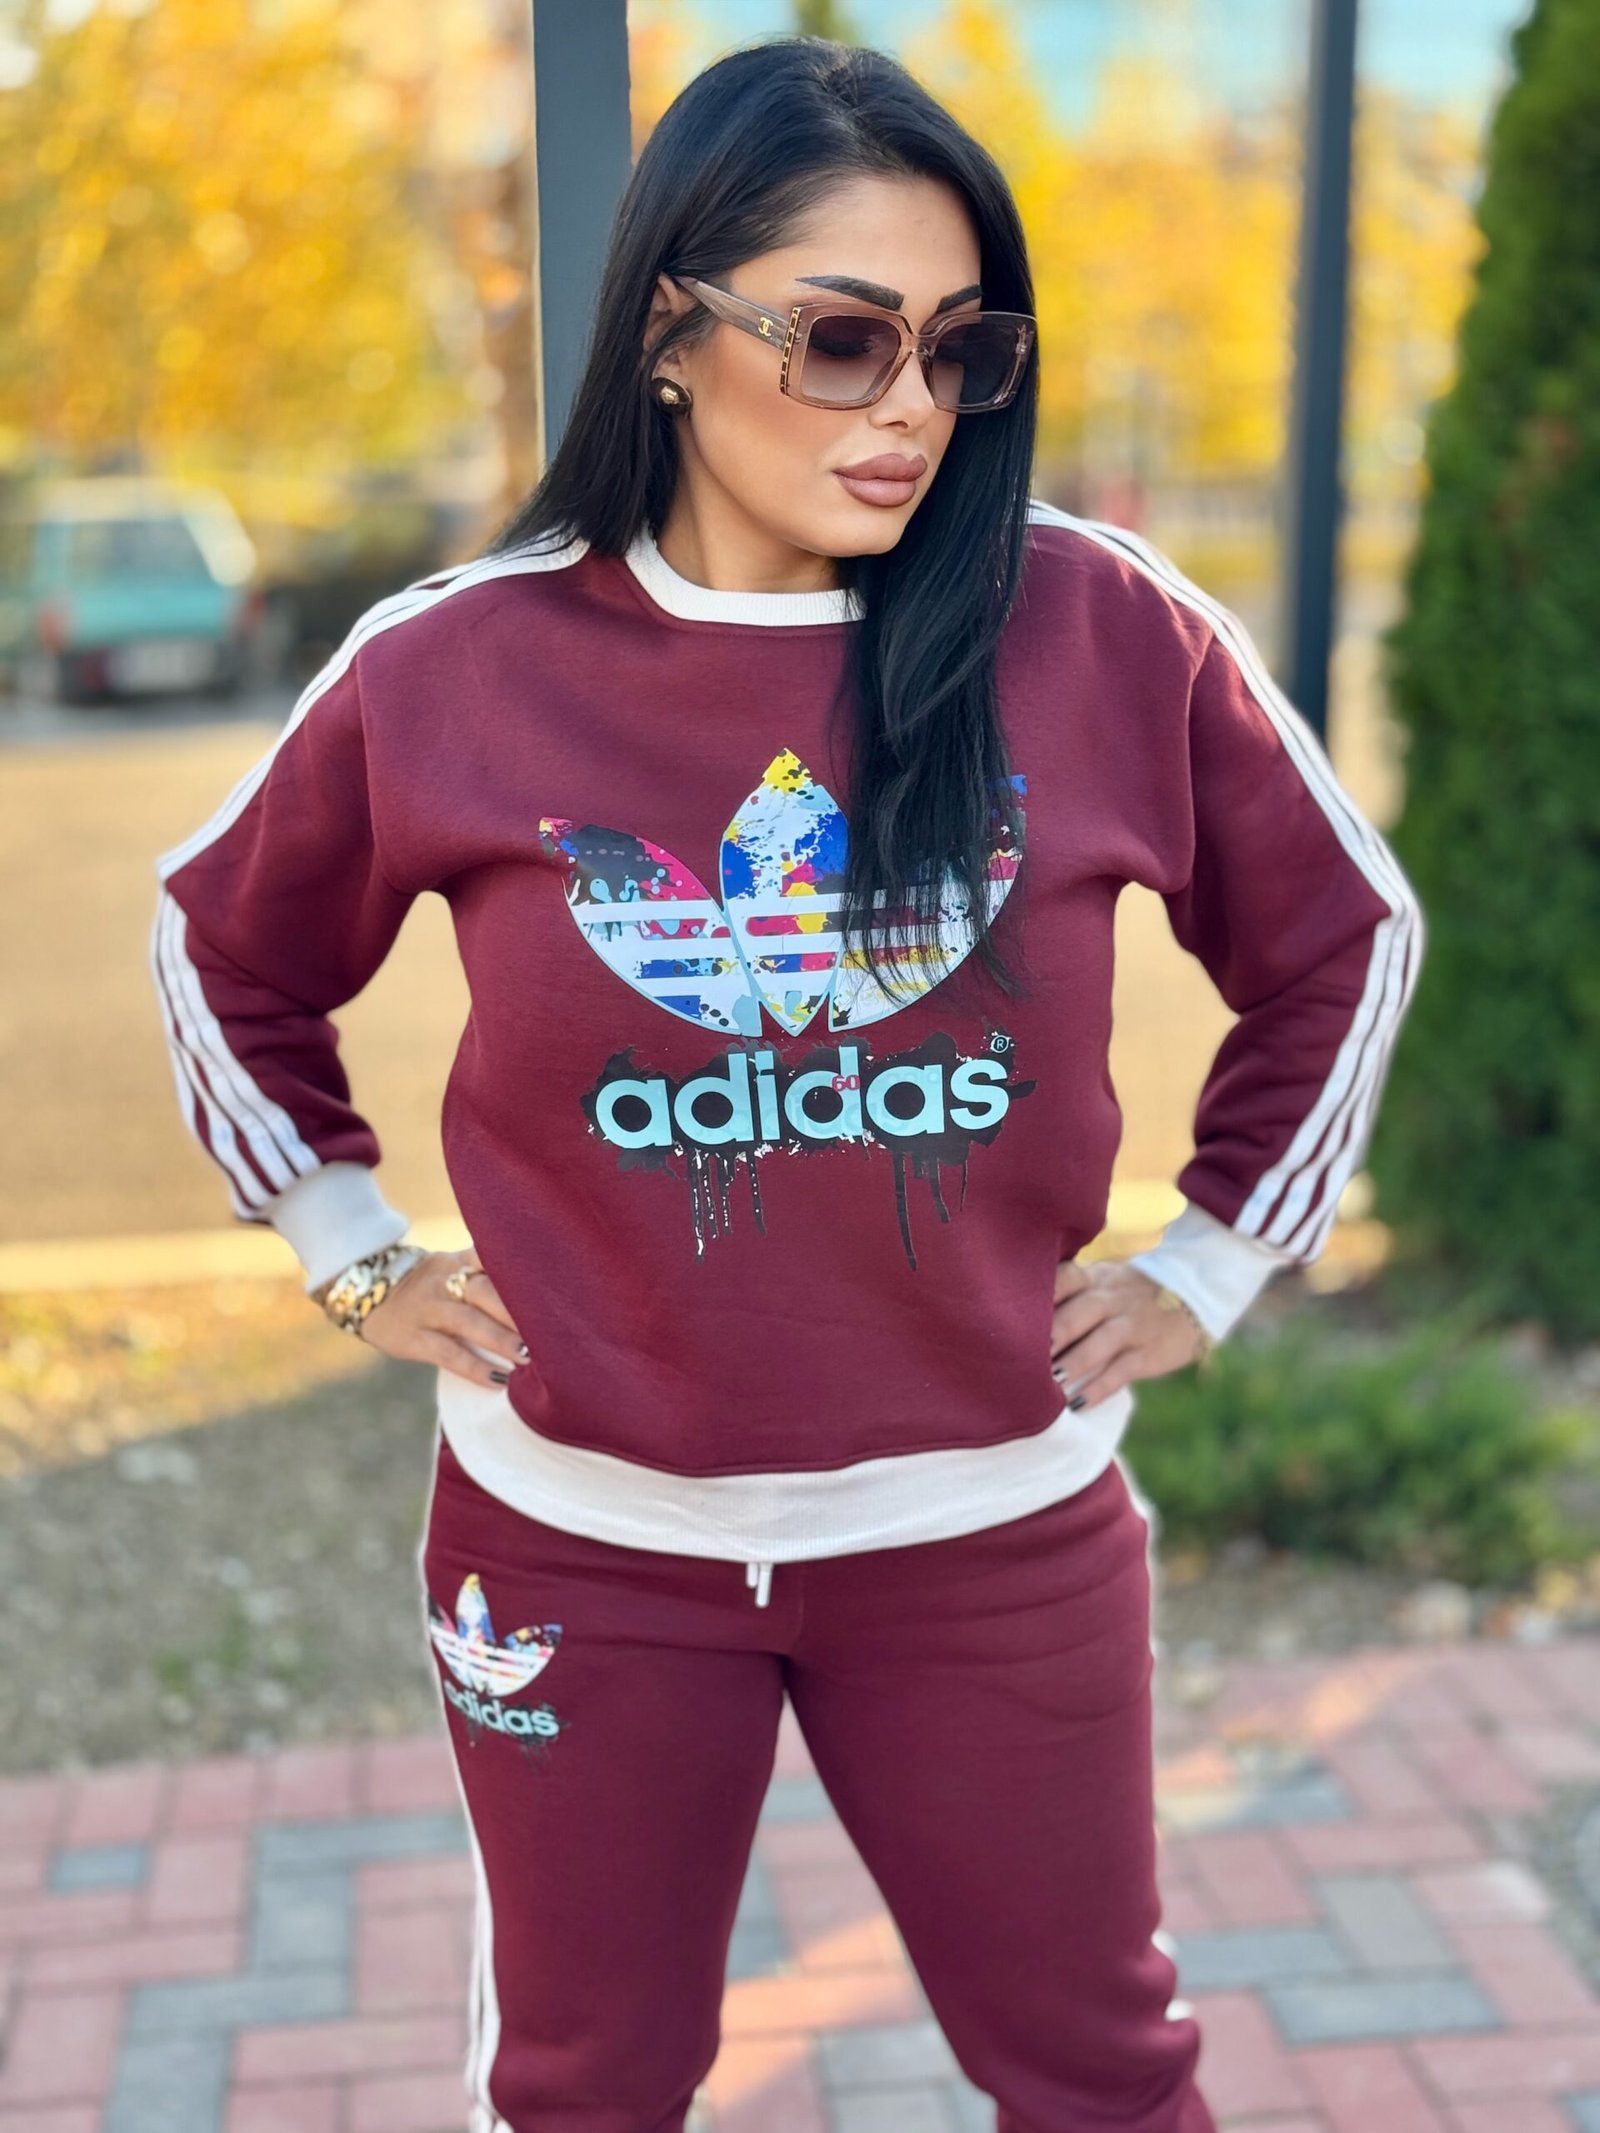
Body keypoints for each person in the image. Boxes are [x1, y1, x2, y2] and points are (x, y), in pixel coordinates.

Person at [149, 35, 1425, 2133]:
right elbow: (220, 942)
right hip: (580, 1542)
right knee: (587, 2086)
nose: (909, 407)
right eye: (840, 339)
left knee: (1101, 2076)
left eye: (961, 349)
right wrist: (345, 1245)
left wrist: (1215, 1258)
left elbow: (1340, 934)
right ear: (671, 334)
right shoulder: (456, 667)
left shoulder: (1094, 630)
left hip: (987, 1530)